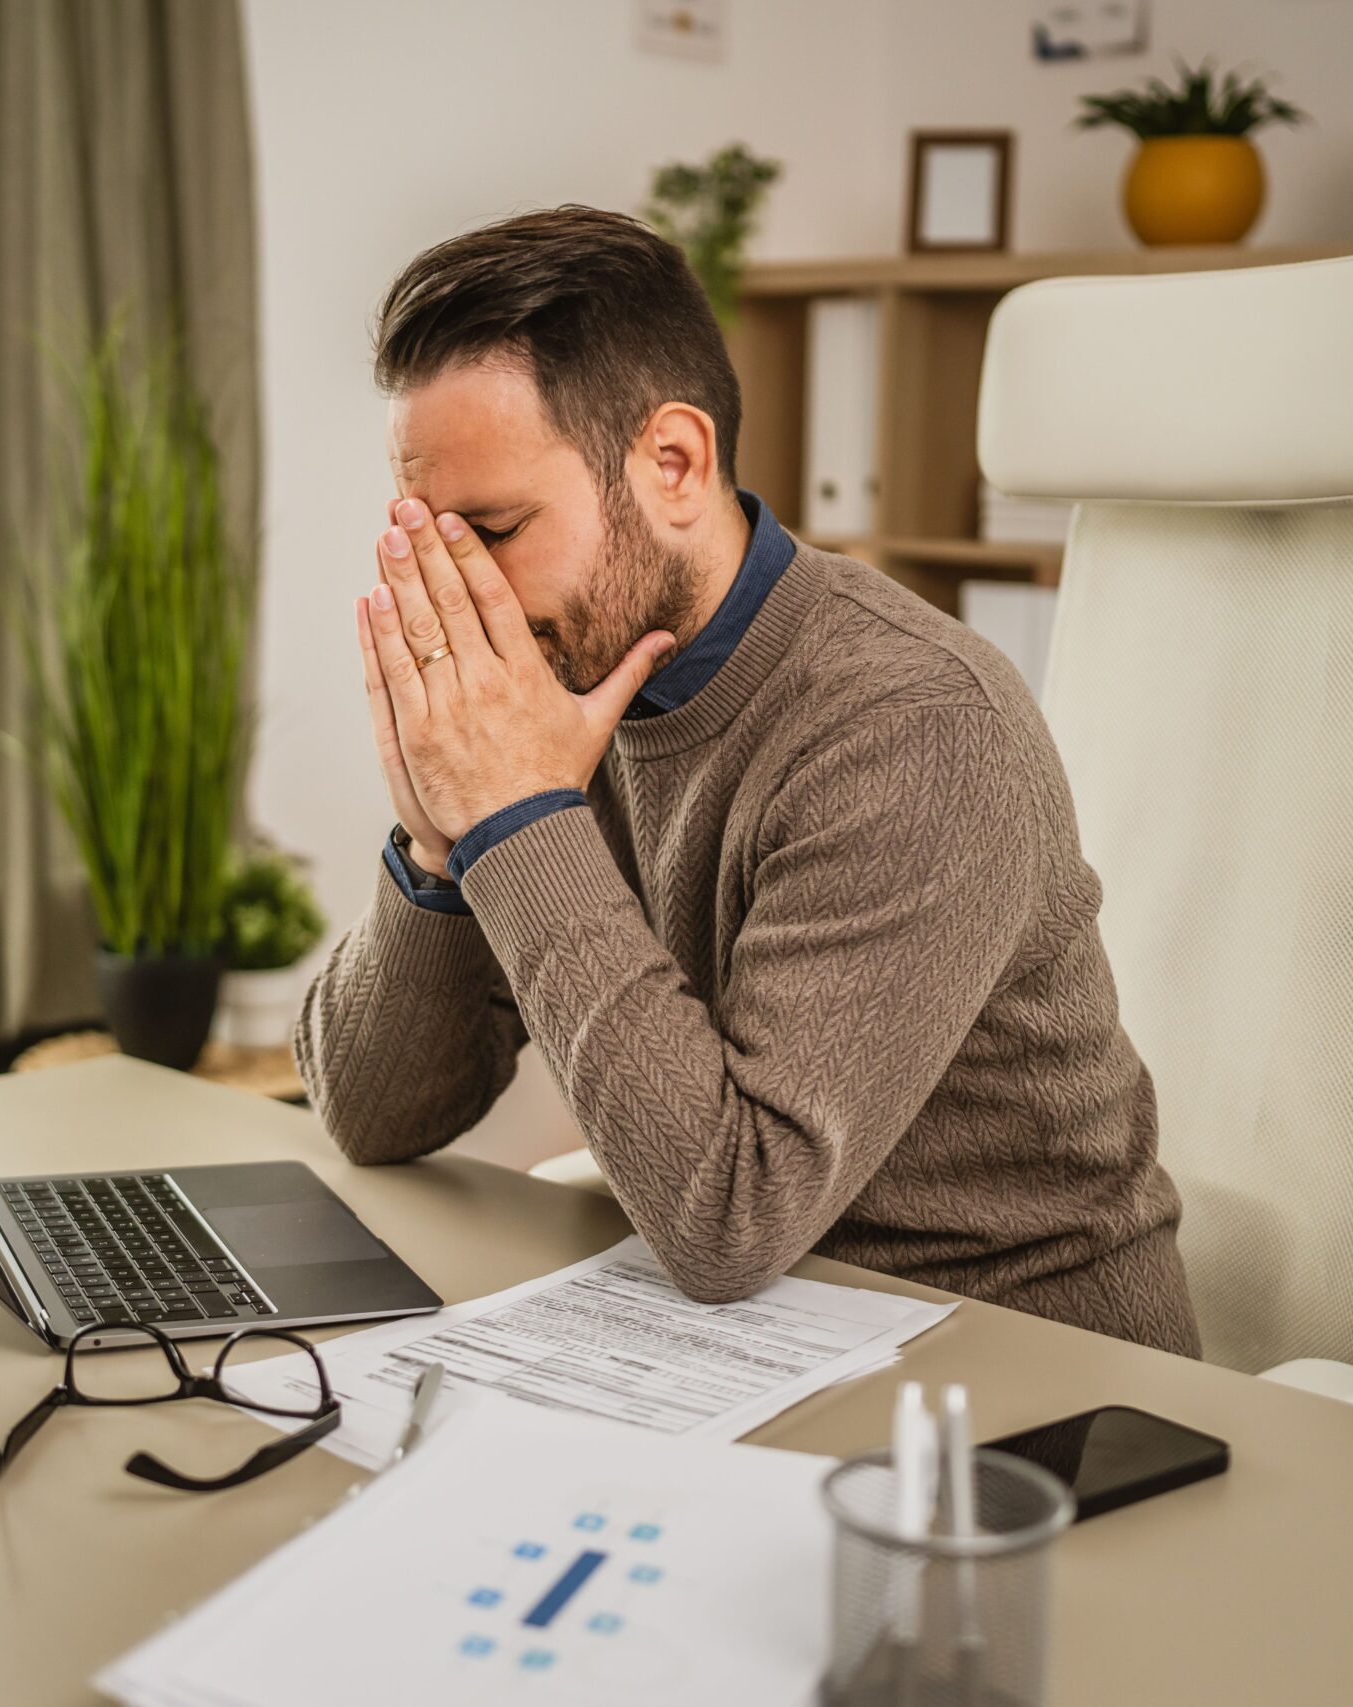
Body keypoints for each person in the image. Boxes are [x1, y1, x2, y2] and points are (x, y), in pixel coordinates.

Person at [293, 205, 1198, 1356]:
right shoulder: (560, 691)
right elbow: (374, 1118)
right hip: (748, 1343)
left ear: (673, 462)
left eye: (495, 529)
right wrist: (437, 848)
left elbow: (730, 1212)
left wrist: (519, 820)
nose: (467, 597)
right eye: (429, 540)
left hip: (1024, 1368)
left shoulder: (907, 725)